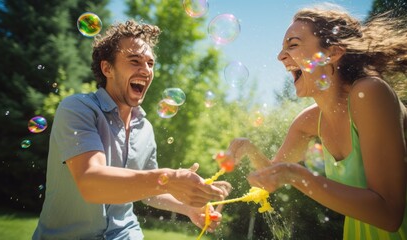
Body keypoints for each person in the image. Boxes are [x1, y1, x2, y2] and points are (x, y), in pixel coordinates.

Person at [32, 20, 231, 240]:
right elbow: (91, 183)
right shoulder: (78, 109)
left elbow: (151, 194)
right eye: (135, 61)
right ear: (107, 68)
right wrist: (169, 178)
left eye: (150, 63)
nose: (145, 70)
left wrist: (188, 207)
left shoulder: (144, 128)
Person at [226, 4, 407, 239]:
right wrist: (249, 150)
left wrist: (300, 177)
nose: (280, 56)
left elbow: (390, 215)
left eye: (293, 45)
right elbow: (273, 176)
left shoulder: (369, 92)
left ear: (332, 52)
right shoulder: (309, 120)